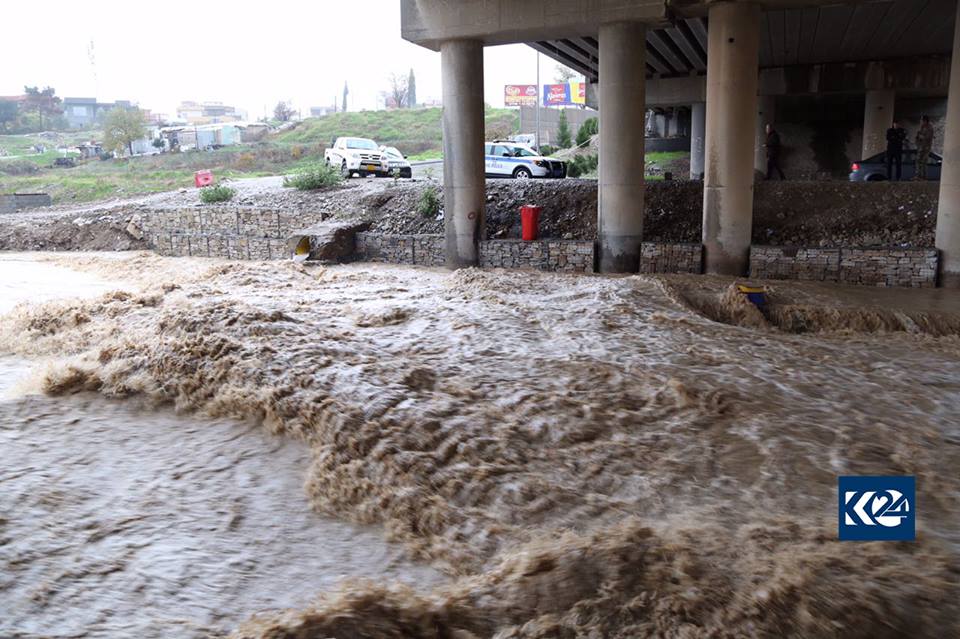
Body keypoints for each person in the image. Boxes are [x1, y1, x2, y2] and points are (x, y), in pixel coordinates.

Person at [915, 115, 934, 180]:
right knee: (918, 161)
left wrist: (922, 136)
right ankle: (918, 175)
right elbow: (917, 136)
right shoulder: (921, 127)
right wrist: (917, 141)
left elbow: (928, 137)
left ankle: (923, 176)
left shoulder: (930, 128)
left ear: (925, 121)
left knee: (923, 162)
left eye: (921, 120)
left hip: (926, 147)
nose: (920, 121)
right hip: (920, 146)